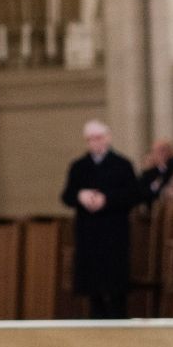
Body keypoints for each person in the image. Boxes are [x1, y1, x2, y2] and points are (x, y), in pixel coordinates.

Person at [60, 121, 143, 319]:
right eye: (90, 139)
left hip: (114, 230)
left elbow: (134, 195)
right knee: (92, 285)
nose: (94, 142)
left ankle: (119, 320)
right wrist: (81, 196)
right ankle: (96, 318)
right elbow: (66, 196)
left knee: (115, 282)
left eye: (97, 138)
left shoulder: (122, 165)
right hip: (89, 231)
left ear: (107, 138)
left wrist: (107, 199)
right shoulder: (79, 166)